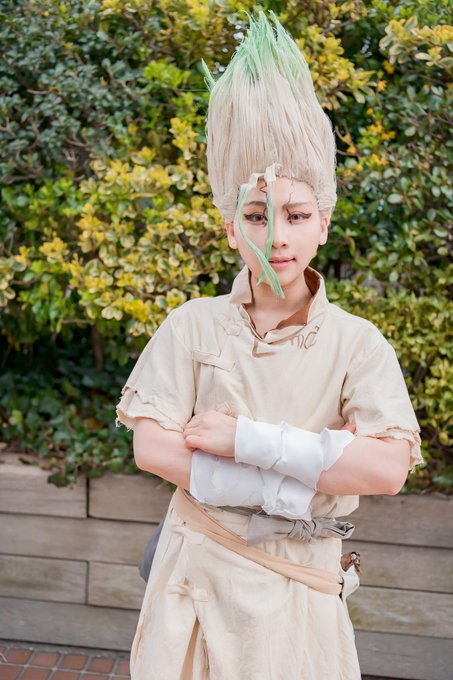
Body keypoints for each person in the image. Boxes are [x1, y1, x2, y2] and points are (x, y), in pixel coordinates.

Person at [116, 13, 422, 679]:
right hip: (193, 581)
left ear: (322, 225)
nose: (276, 237)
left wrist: (242, 440)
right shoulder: (191, 325)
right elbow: (153, 449)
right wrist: (317, 465)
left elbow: (386, 469)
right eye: (256, 216)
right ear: (232, 228)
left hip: (299, 588)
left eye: (296, 216)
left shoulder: (358, 344)